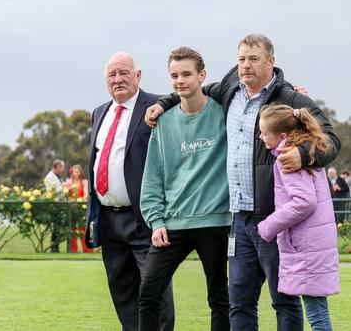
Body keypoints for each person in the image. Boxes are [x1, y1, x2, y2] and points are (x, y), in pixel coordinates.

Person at [146, 34, 340, 330]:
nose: (245, 65)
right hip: (238, 220)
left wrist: (302, 154)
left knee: (284, 300)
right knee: (239, 303)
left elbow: (330, 139)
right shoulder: (229, 90)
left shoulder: (290, 99)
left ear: (270, 62)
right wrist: (163, 103)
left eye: (253, 59)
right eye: (241, 59)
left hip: (274, 219)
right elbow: (189, 87)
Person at [139, 47, 230, 330]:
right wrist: (156, 221)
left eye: (187, 74)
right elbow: (153, 175)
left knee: (219, 298)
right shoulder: (163, 121)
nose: (180, 81)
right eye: (174, 75)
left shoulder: (224, 113)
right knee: (148, 294)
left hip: (215, 221)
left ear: (202, 75)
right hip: (173, 224)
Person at [85, 52, 174, 331]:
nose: (118, 79)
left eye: (124, 73)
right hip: (109, 221)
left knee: (155, 292)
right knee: (123, 292)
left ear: (138, 75)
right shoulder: (99, 112)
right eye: (112, 74)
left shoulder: (159, 106)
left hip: (145, 218)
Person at [257, 105, 340, 331]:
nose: (260, 136)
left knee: (316, 314)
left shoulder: (288, 159)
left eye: (264, 132)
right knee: (316, 308)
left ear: (282, 136)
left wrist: (268, 226)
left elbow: (304, 201)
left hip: (306, 245)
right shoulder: (307, 152)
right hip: (312, 242)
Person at [66, 164, 91, 253]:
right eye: (74, 171)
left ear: (80, 172)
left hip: (81, 208)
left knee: (83, 229)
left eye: (77, 171)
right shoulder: (69, 181)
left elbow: (85, 195)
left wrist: (79, 201)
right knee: (72, 230)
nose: (75, 173)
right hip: (71, 209)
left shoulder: (84, 182)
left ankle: (87, 250)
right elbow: (66, 194)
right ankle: (73, 250)